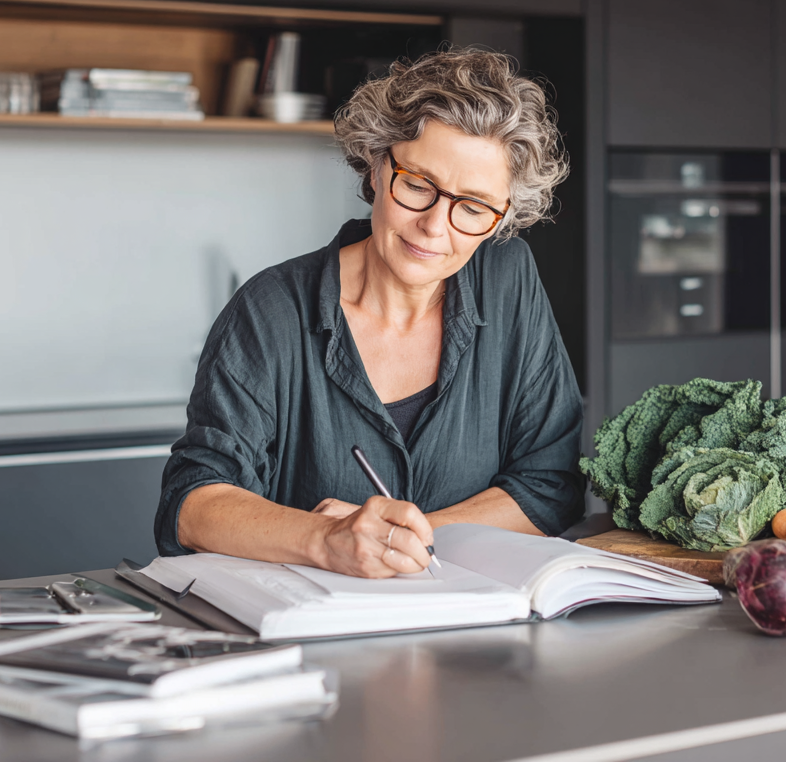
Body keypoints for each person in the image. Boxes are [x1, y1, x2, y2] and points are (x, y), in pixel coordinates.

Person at [155, 48, 584, 578]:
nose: (435, 227)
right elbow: (191, 504)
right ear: (378, 165)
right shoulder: (270, 310)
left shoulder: (507, 279)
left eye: (473, 207)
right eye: (418, 186)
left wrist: (396, 539)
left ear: (501, 217)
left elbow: (550, 485)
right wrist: (326, 540)